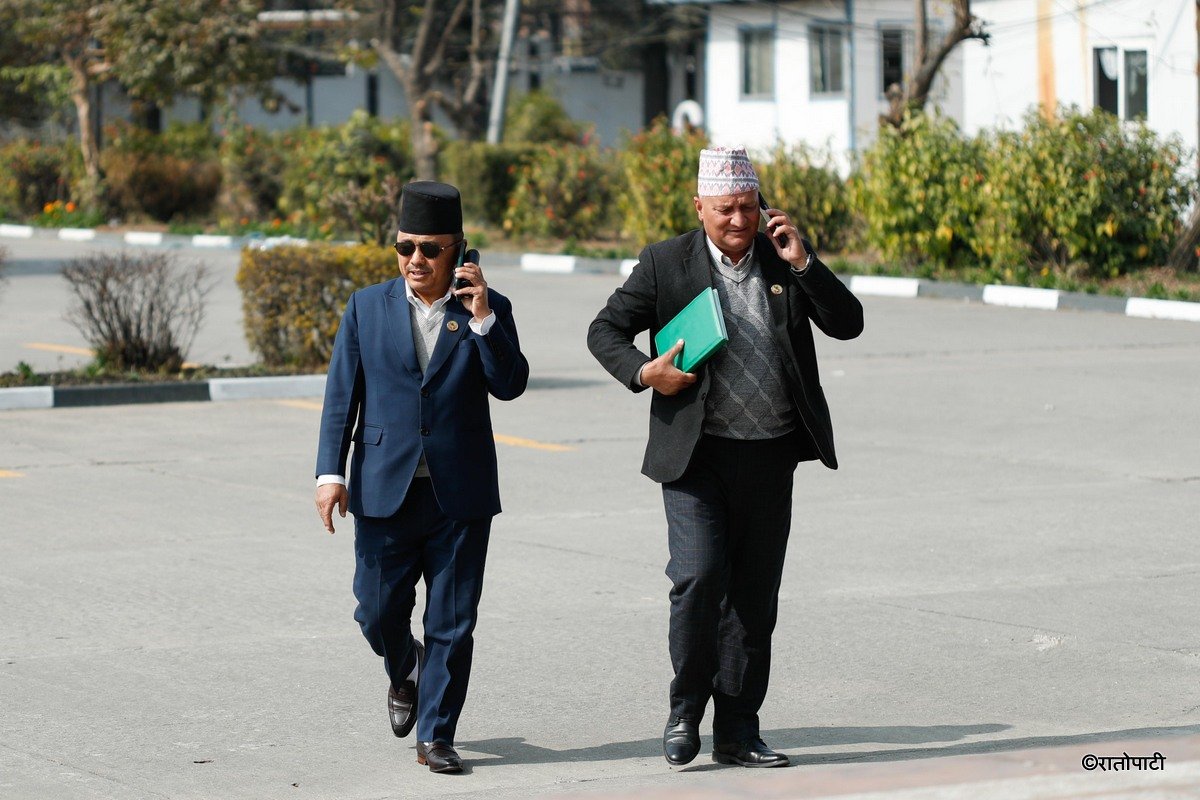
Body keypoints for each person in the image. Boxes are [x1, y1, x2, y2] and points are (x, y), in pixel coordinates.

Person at [587, 147, 863, 768]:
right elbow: (604, 330)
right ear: (700, 207)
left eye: (747, 206)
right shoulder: (665, 263)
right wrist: (644, 372)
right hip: (697, 457)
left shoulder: (781, 257)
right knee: (699, 578)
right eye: (724, 209)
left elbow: (848, 324)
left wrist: (805, 263)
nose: (738, 220)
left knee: (754, 595)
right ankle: (685, 712)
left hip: (770, 456)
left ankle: (739, 729)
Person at [314, 181, 529, 774]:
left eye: (431, 249)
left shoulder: (488, 309)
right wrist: (330, 473)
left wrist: (483, 316)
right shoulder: (366, 306)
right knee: (375, 610)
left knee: (453, 624)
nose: (416, 260)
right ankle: (404, 666)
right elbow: (342, 398)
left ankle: (436, 735)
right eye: (405, 246)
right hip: (385, 486)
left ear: (458, 251)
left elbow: (510, 383)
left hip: (460, 494)